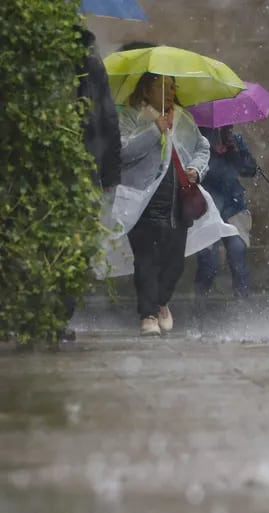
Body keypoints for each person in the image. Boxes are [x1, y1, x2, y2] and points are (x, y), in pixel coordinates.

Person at [118, 73, 210, 335]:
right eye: (162, 86)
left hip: (176, 201)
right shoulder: (129, 116)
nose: (169, 92)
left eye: (172, 87)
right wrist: (154, 129)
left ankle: (160, 302)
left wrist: (196, 169)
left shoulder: (183, 118)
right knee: (145, 259)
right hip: (142, 201)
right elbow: (123, 151)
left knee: (174, 262)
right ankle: (147, 314)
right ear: (146, 91)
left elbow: (201, 148)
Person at [61, 27, 123, 342]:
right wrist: (110, 172)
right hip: (84, 165)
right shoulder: (89, 60)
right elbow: (107, 118)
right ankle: (57, 315)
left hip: (56, 163)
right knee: (75, 244)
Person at [194, 125, 260, 299]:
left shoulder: (234, 139)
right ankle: (200, 303)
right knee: (209, 262)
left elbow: (250, 169)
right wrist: (212, 153)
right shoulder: (199, 140)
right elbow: (195, 171)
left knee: (238, 255)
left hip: (233, 205)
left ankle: (242, 305)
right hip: (207, 207)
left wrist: (235, 152)